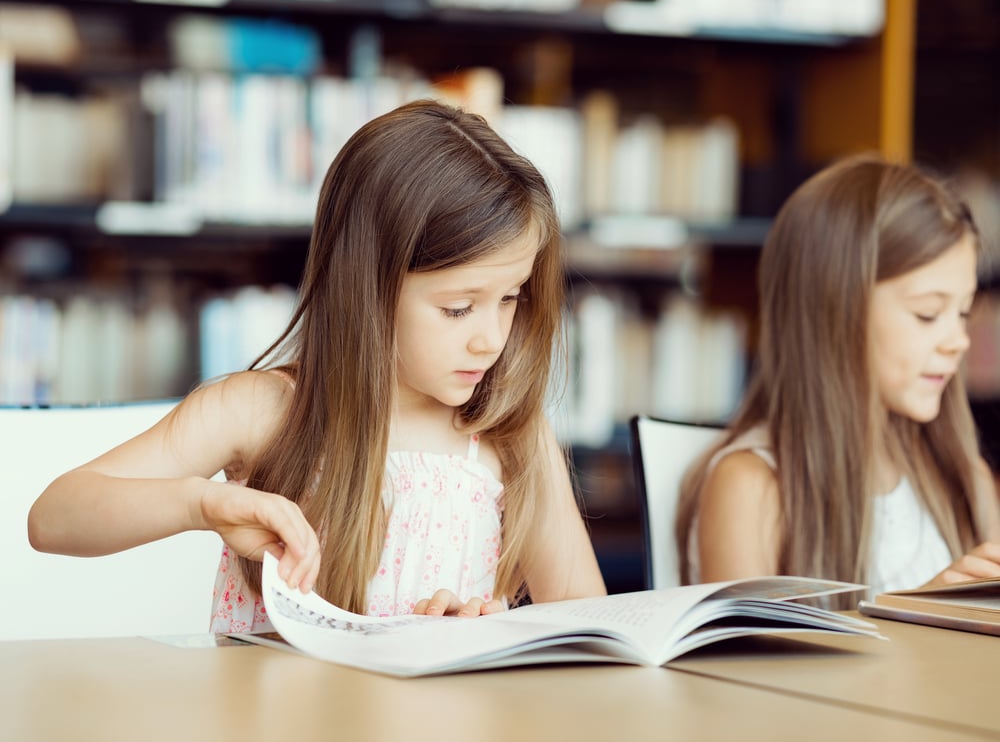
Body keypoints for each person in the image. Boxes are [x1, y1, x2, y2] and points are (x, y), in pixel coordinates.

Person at [28, 99, 607, 631]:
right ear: (366, 289)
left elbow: (594, 634)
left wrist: (494, 632)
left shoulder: (510, 434)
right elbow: (54, 517)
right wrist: (201, 504)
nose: (491, 340)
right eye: (458, 308)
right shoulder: (261, 410)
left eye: (510, 298)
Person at [674, 154, 1000, 608]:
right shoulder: (752, 488)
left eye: (963, 312)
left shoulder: (965, 479)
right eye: (928, 314)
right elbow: (745, 673)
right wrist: (916, 617)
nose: (958, 340)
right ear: (835, 310)